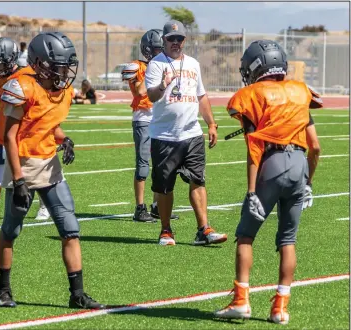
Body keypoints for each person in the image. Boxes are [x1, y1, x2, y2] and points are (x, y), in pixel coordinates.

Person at [213, 40, 322, 324]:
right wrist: (308, 182)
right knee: (288, 240)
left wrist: (251, 191)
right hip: (299, 165)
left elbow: (253, 149)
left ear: (254, 67)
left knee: (246, 235)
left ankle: (241, 301)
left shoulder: (251, 95)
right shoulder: (300, 91)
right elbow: (316, 147)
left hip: (271, 164)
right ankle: (280, 308)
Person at [0, 32, 105, 309]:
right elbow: (10, 136)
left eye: (66, 65)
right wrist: (18, 179)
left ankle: (77, 294)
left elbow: (48, 124)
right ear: (39, 63)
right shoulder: (21, 86)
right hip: (24, 164)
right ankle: (4, 289)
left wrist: (63, 138)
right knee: (11, 229)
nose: (64, 71)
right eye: (57, 65)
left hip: (49, 164)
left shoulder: (65, 90)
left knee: (70, 229)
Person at [144, 20, 227, 246]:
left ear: (185, 40)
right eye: (171, 39)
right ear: (164, 40)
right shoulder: (156, 64)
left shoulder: (193, 64)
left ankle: (203, 230)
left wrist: (211, 123)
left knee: (197, 180)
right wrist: (162, 85)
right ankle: (166, 231)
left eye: (179, 39)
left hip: (192, 133)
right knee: (164, 186)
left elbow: (201, 95)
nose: (176, 43)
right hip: (164, 136)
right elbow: (151, 96)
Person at [0, 37, 50, 223]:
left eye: (0, 64)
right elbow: (3, 109)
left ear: (12, 58)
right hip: (4, 131)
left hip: (25, 132)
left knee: (31, 170)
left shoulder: (27, 76)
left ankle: (44, 206)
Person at [121, 29, 179, 223]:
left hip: (161, 120)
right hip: (143, 119)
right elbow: (139, 91)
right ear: (147, 50)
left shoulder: (165, 64)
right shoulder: (137, 66)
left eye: (159, 49)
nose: (157, 53)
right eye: (155, 49)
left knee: (162, 166)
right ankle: (139, 208)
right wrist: (155, 73)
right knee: (143, 165)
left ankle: (156, 206)